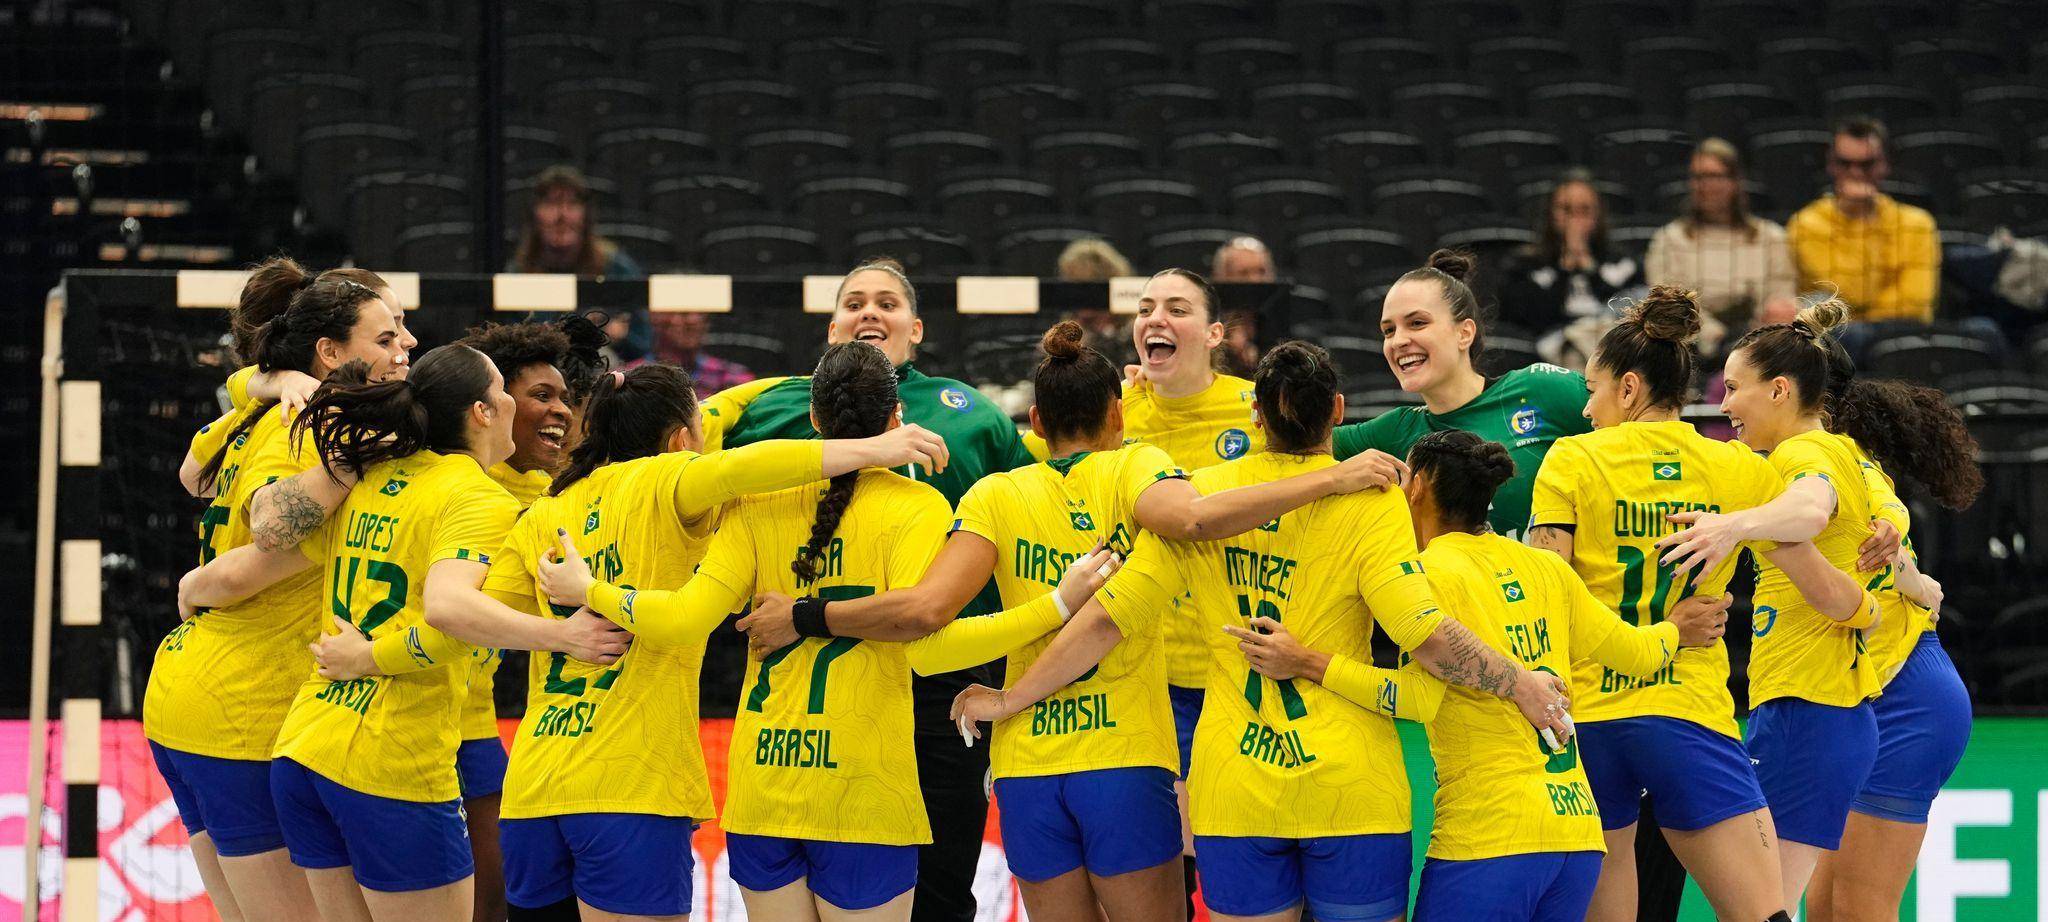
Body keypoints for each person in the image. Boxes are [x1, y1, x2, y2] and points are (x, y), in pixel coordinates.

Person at [732, 322, 1406, 922]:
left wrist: (812, 617)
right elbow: (1193, 521)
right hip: (1124, 758)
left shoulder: (995, 493)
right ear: (1118, 411)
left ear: (1032, 421)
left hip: (1027, 768)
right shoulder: (1138, 466)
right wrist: (1331, 477)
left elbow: (927, 624)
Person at [953, 342, 1577, 922]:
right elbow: (1427, 636)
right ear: (1337, 410)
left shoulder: (1202, 493)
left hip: (1237, 787)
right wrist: (1517, 681)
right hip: (1352, 787)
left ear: (1254, 412)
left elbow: (1105, 620)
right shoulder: (1372, 497)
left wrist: (1011, 699)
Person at [305, 361, 951, 920]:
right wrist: (873, 448)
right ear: (679, 440)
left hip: (533, 793)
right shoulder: (665, 483)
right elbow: (750, 468)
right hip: (630, 789)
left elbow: (452, 623)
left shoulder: (546, 511)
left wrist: (371, 656)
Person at [536, 342, 1098, 922]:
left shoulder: (754, 506)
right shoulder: (919, 507)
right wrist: (1055, 605)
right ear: (897, 417)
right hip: (862, 795)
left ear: (813, 421)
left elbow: (683, 619)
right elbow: (931, 649)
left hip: (762, 786)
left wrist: (593, 593)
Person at [175, 345, 630, 921]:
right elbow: (447, 610)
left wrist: (192, 586)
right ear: (483, 412)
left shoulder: (371, 476)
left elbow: (253, 563)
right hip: (392, 757)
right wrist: (566, 637)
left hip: (305, 748)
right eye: (507, 391)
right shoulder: (476, 494)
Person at [1231, 429, 1732, 922]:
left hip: (1488, 839)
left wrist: (1308, 663)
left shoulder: (1421, 578)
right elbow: (1636, 654)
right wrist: (1676, 630)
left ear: (1419, 486)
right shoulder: (1546, 569)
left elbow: (1415, 701)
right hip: (1576, 835)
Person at [1526, 288, 1892, 922]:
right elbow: (1825, 584)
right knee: (1763, 914)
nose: (1586, 408)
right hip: (1687, 714)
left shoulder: (1570, 458)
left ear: (1630, 389)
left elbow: (1545, 590)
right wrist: (1875, 606)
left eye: (1594, 390)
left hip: (1588, 718)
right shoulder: (1734, 466)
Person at [695, 258, 1036, 922]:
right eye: (854, 303)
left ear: (916, 327)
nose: (870, 312)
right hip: (818, 676)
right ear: (830, 328)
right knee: (833, 863)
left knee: (942, 875)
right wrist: (742, 396)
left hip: (943, 672)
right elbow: (688, 461)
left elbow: (1029, 518)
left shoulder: (974, 414)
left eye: (886, 302)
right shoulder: (775, 409)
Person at [1664, 298, 1983, 912]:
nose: (1722, 403)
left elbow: (1822, 513)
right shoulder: (1837, 459)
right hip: (1864, 686)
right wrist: (1916, 582)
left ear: (1783, 390)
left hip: (1896, 692)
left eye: (1733, 388)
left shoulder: (1809, 456)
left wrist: (1731, 527)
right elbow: (1887, 534)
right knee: (1826, 905)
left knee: (1849, 904)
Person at [146, 266, 412, 922]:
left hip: (192, 694)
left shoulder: (256, 408)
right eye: (388, 334)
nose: (407, 344)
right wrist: (202, 582)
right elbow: (261, 539)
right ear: (328, 346)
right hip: (247, 707)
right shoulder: (305, 422)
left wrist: (260, 380)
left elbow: (193, 476)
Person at [435, 317, 604, 922]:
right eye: (541, 396)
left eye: (566, 398)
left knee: (495, 901)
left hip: (473, 722)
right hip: (406, 719)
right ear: (491, 408)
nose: (560, 411)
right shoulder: (475, 491)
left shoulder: (541, 488)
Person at [1335, 249, 1592, 542]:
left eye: (1417, 323)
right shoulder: (1393, 432)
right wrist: (1336, 477)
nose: (1399, 341)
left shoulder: (1541, 390)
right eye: (1388, 330)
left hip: (1554, 587)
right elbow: (1287, 449)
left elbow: (1641, 432)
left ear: (1464, 333)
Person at [1645, 138, 1799, 356]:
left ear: (1735, 181)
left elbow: (1780, 297)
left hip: (1760, 347)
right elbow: (1669, 306)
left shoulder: (1770, 237)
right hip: (1691, 347)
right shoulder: (1669, 239)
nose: (1705, 185)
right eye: (1698, 177)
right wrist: (1715, 336)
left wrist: (1752, 335)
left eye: (1714, 176)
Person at [1786, 118, 1940, 335]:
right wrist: (1861, 218)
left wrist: (1868, 316)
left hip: (1901, 332)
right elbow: (1853, 294)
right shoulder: (1806, 224)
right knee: (1853, 335)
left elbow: (1916, 305)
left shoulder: (1918, 223)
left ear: (1884, 165)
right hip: (1837, 337)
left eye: (1866, 165)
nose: (1856, 173)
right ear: (1831, 165)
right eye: (1845, 163)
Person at [1499, 169, 1647, 367]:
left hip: (1611, 351)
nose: (1575, 219)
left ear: (1598, 215)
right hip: (1548, 355)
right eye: (1566, 210)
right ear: (1551, 214)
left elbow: (1629, 314)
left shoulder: (1623, 263)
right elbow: (1528, 320)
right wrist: (1565, 269)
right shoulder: (1524, 265)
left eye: (1584, 210)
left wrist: (1590, 270)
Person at [511, 165, 652, 366]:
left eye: (572, 204)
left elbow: (643, 342)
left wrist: (617, 336)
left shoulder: (617, 267)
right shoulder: (518, 272)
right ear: (534, 213)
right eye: (551, 204)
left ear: (586, 214)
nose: (562, 215)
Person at [1056, 236, 1138, 367]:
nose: (1080, 295)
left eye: (1086, 286)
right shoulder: (1066, 328)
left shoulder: (1134, 331)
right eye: (1073, 285)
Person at [1210, 236, 1276, 375]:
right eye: (1243, 273)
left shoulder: (1287, 315)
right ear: (1221, 276)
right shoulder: (1207, 321)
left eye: (1261, 271)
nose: (1255, 280)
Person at [651, 310, 755, 391]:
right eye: (683, 313)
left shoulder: (734, 377)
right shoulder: (636, 376)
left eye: (701, 314)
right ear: (655, 317)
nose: (693, 320)